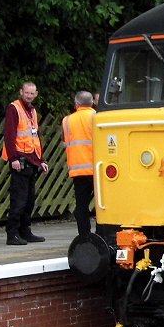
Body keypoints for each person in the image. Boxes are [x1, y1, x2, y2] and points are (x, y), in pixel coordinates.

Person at [1, 81, 49, 245]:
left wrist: (40, 160)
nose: (29, 95)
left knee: (29, 200)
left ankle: (25, 231)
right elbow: (9, 135)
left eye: (32, 93)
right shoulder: (14, 108)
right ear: (21, 92)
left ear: (36, 94)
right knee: (19, 200)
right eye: (27, 92)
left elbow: (34, 137)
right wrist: (13, 158)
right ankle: (12, 234)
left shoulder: (32, 111)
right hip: (20, 160)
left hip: (31, 161)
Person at [61, 90, 96, 238]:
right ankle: (101, 234)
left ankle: (84, 236)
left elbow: (64, 143)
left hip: (77, 169)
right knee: (102, 205)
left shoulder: (67, 120)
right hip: (96, 169)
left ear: (76, 104)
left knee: (81, 206)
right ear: (92, 102)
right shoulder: (97, 117)